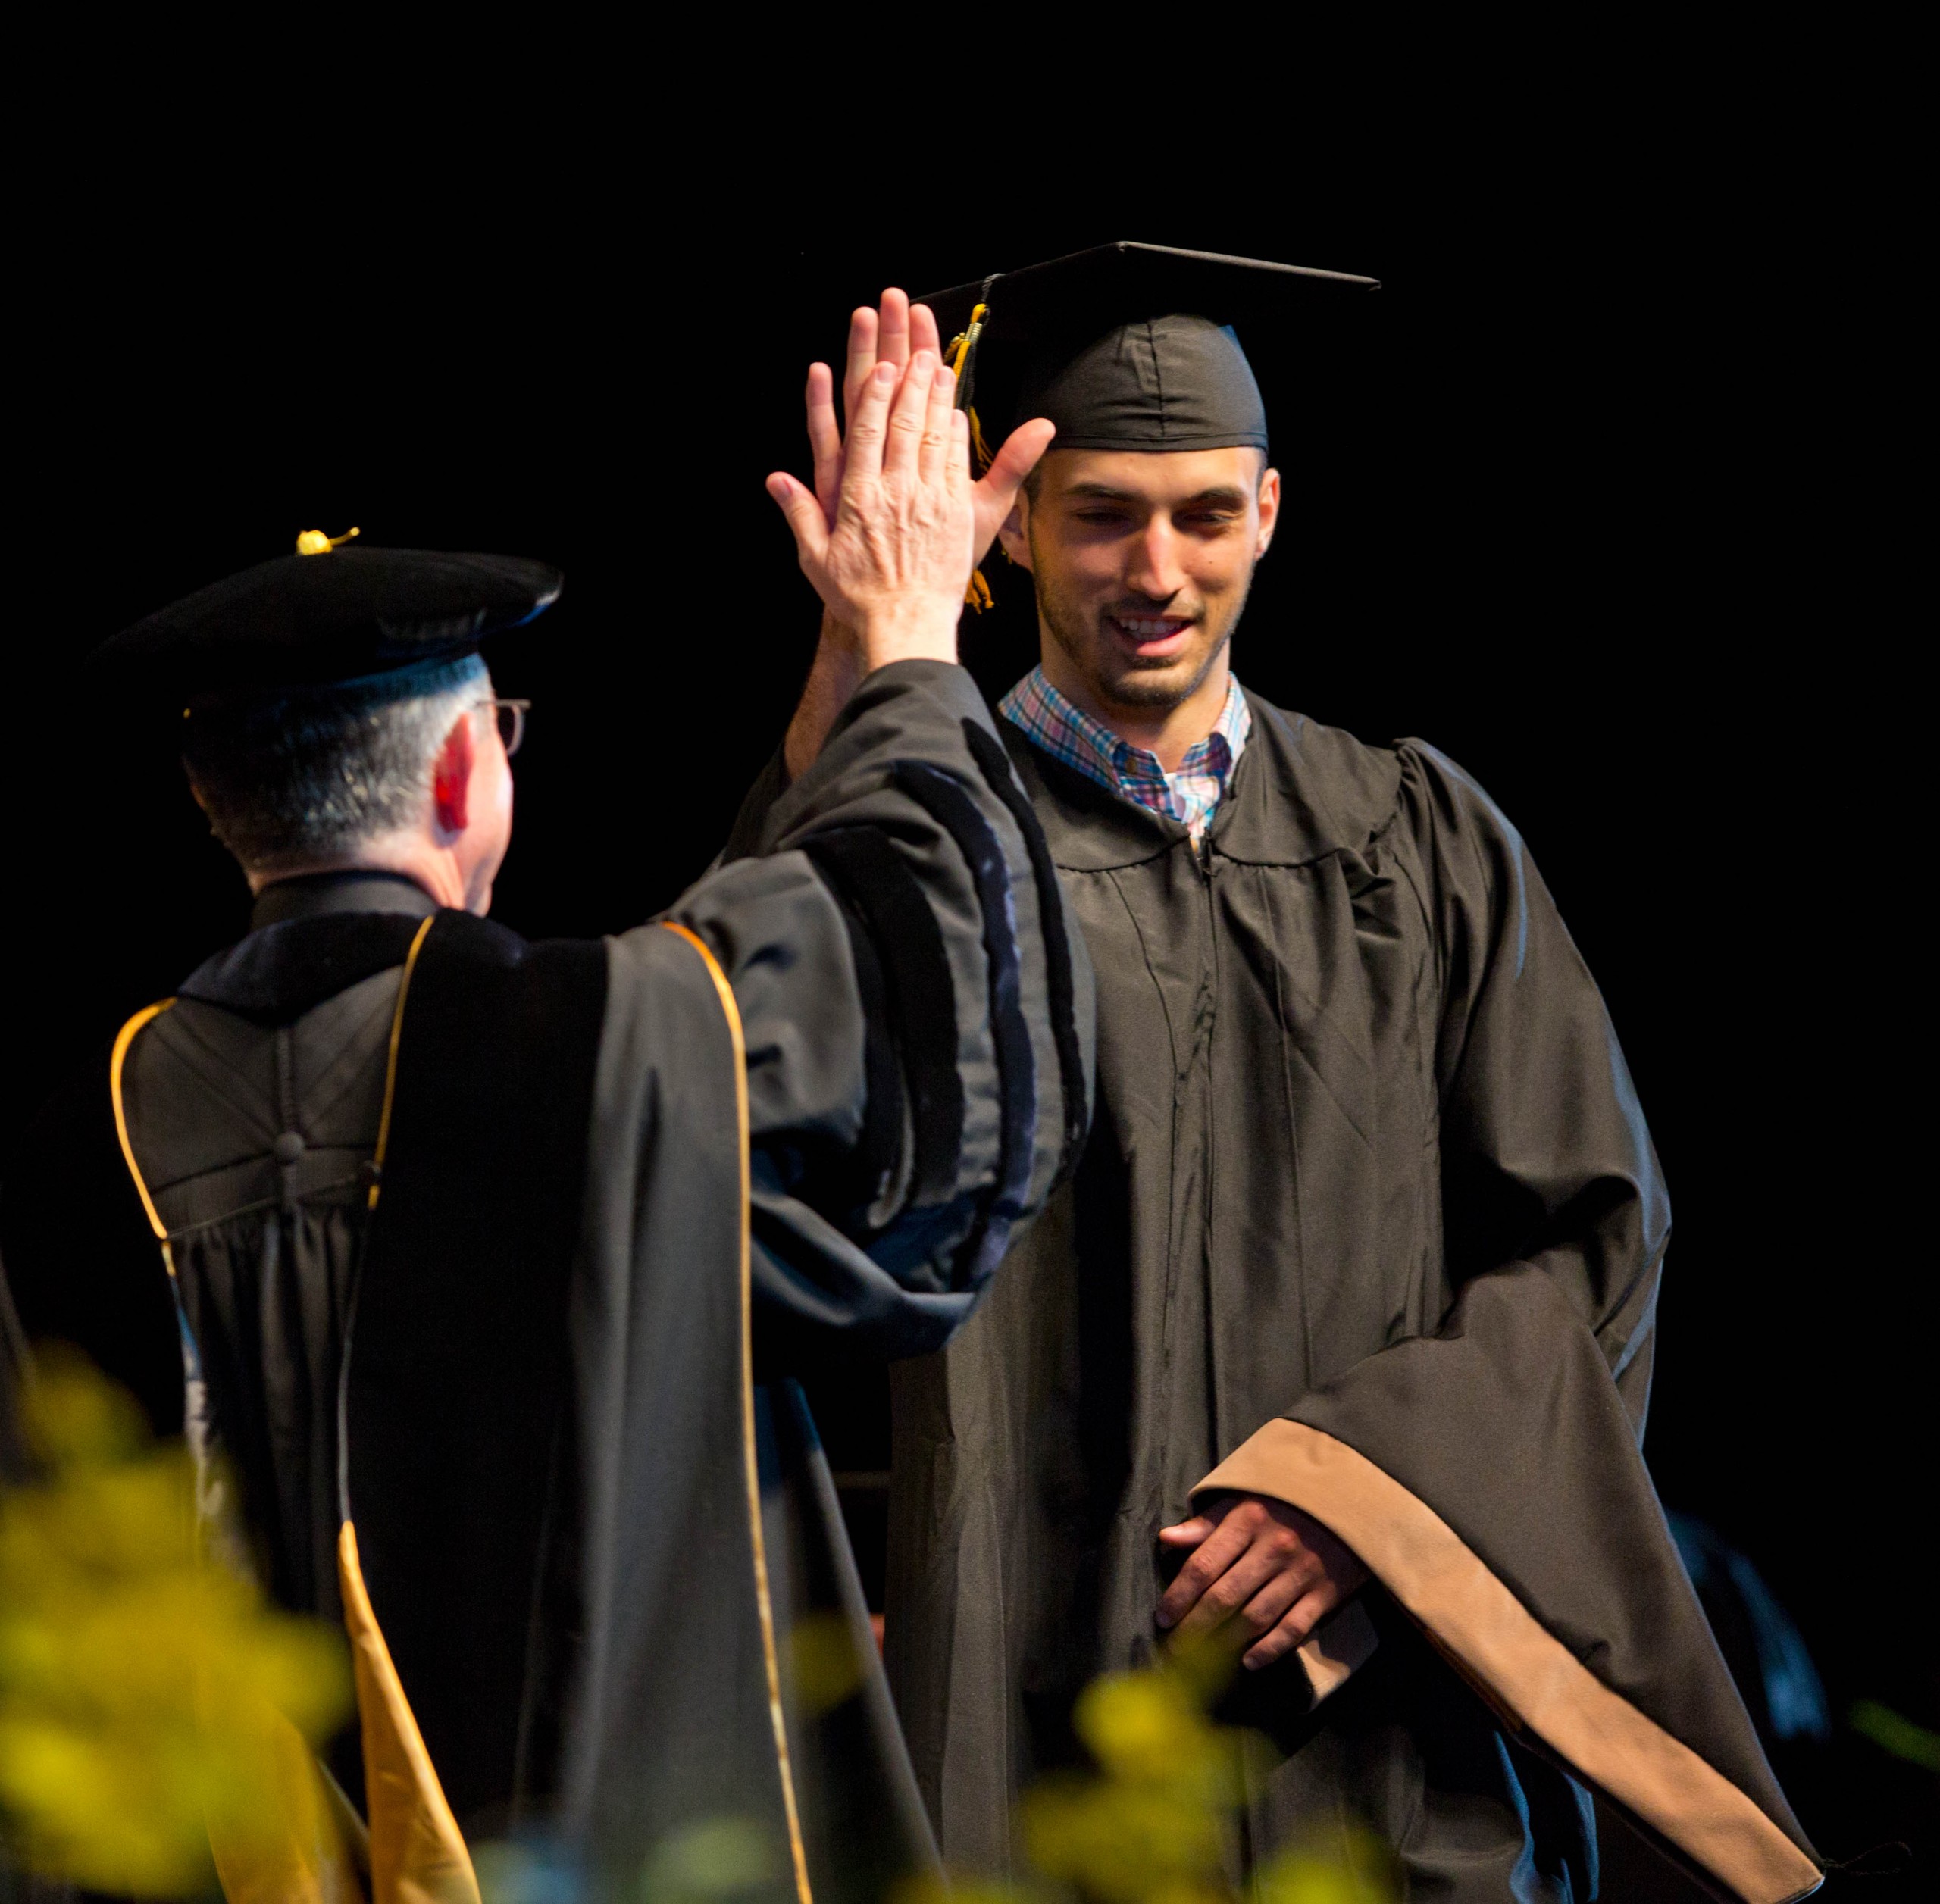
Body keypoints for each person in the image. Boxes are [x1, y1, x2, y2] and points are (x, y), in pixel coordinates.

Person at [741, 246, 1822, 1904]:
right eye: (1100, 513)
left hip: (1372, 1743)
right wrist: (864, 671)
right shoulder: (923, 846)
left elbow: (1593, 1242)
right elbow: (746, 1166)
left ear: (1269, 511)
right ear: (1010, 524)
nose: (1154, 569)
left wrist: (1360, 1500)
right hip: (1013, 1722)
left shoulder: (1414, 840)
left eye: (1202, 514)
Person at [0, 331, 1086, 1899]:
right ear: (463, 777)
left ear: (213, 806)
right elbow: (937, 1056)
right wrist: (910, 643)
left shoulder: (71, 1166)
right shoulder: (606, 1048)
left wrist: (832, 726)